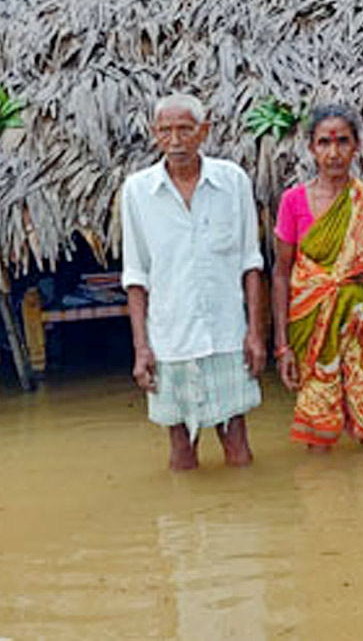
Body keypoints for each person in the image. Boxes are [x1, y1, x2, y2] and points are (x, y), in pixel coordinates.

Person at [120, 93, 267, 470]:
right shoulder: (137, 191)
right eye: (165, 131)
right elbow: (136, 277)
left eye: (185, 129)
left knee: (237, 445)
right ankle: (181, 526)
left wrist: (254, 333)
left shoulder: (232, 180)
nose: (175, 140)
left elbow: (251, 263)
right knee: (181, 450)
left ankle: (245, 519)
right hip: (171, 339)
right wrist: (142, 348)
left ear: (204, 131)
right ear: (154, 134)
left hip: (226, 335)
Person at [271, 104, 363, 450]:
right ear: (311, 148)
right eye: (323, 143)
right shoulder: (293, 202)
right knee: (318, 431)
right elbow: (281, 273)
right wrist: (282, 345)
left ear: (357, 146)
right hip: (312, 321)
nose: (333, 153)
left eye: (342, 142)